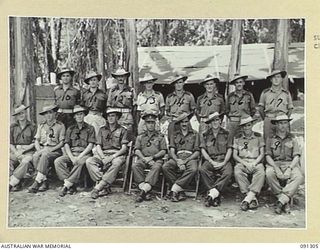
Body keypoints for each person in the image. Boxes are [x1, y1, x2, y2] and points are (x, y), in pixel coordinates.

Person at [86, 108, 129, 199]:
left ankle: (98, 187)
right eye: (109, 116)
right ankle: (105, 185)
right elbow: (98, 145)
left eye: (113, 116)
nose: (110, 118)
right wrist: (102, 157)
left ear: (117, 117)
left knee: (117, 163)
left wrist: (112, 157)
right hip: (103, 154)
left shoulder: (123, 130)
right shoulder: (102, 129)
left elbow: (124, 148)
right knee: (89, 161)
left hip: (117, 154)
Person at [265, 114, 304, 214]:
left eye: (285, 123)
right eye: (280, 123)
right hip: (275, 163)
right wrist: (275, 167)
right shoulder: (270, 138)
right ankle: (283, 200)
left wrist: (290, 168)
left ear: (288, 124)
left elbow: (296, 156)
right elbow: (268, 156)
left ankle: (281, 201)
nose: (283, 125)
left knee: (299, 176)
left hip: (289, 163)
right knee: (269, 174)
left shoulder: (292, 138)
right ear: (276, 125)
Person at [54, 105, 96, 197]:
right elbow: (66, 144)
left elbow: (90, 145)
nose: (79, 116)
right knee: (58, 161)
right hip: (72, 153)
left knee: (80, 162)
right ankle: (71, 185)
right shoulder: (70, 129)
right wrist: (72, 157)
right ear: (74, 116)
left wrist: (79, 156)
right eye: (77, 115)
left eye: (81, 114)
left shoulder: (90, 128)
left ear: (84, 115)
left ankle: (66, 186)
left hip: (85, 154)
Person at [162, 112, 200, 202]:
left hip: (190, 157)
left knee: (193, 169)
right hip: (177, 157)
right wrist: (178, 160)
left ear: (189, 122)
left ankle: (174, 189)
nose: (184, 124)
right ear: (179, 124)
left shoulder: (195, 134)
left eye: (186, 122)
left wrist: (186, 160)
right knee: (165, 167)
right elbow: (171, 150)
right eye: (182, 122)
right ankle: (180, 190)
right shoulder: (174, 134)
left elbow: (197, 152)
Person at [28, 105, 65, 193]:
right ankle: (44, 181)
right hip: (43, 148)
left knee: (44, 155)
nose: (48, 115)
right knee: (36, 156)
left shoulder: (60, 125)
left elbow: (61, 143)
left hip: (55, 150)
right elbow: (37, 140)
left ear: (54, 114)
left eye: (50, 113)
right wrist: (38, 150)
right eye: (46, 114)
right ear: (44, 116)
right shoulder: (41, 125)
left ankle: (37, 182)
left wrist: (51, 150)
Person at [199, 112, 233, 207]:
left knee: (228, 172)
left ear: (220, 121)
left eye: (217, 120)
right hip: (211, 159)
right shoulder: (205, 134)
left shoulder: (227, 133)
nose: (215, 122)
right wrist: (210, 161)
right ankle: (215, 195)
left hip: (223, 159)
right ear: (209, 122)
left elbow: (230, 149)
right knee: (203, 169)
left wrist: (224, 162)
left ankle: (211, 195)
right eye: (212, 120)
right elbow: (203, 150)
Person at [132, 111, 167, 202]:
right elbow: (136, 149)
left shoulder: (160, 136)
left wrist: (153, 157)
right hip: (143, 159)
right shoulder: (140, 137)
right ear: (145, 124)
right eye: (148, 123)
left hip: (156, 160)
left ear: (155, 124)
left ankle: (142, 192)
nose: (150, 125)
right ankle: (146, 191)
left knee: (156, 167)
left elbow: (163, 150)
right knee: (135, 166)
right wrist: (144, 158)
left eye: (152, 123)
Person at [233, 115, 265, 211]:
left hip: (255, 160)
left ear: (252, 125)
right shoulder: (237, 138)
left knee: (261, 172)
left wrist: (254, 163)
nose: (246, 128)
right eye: (244, 126)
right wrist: (245, 163)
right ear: (242, 127)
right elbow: (235, 155)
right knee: (237, 172)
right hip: (242, 161)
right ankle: (252, 197)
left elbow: (262, 153)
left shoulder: (258, 136)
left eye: (248, 125)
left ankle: (247, 200)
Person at [258, 70, 293, 140]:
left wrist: (284, 118)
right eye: (274, 77)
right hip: (269, 119)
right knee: (268, 140)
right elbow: (260, 109)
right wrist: (266, 119)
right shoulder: (265, 93)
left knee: (284, 140)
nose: (276, 79)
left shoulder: (286, 93)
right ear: (271, 79)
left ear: (282, 79)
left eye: (278, 77)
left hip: (282, 119)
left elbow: (290, 108)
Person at [9, 105, 36, 191]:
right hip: (15, 151)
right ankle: (16, 180)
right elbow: (10, 143)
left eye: (22, 113)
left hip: (28, 151)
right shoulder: (13, 127)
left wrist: (23, 150)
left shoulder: (32, 126)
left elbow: (34, 142)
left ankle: (13, 183)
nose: (21, 115)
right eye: (19, 114)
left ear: (26, 113)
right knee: (7, 160)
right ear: (16, 116)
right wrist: (16, 152)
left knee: (25, 162)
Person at [107, 67, 136, 137]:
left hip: (127, 116)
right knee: (116, 135)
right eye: (119, 76)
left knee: (128, 136)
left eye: (122, 76)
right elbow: (109, 105)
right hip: (116, 116)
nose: (120, 78)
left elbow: (135, 106)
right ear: (116, 78)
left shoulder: (131, 90)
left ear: (125, 77)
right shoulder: (112, 90)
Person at [226, 74, 256, 140]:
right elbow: (227, 110)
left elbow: (253, 109)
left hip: (245, 122)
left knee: (245, 140)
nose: (239, 84)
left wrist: (247, 118)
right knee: (232, 140)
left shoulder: (248, 95)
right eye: (237, 82)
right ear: (234, 84)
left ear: (243, 83)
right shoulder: (230, 96)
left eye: (240, 82)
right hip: (233, 123)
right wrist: (233, 118)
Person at [82, 71, 107, 136]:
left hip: (99, 116)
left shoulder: (103, 94)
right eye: (91, 80)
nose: (93, 82)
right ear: (88, 82)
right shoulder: (85, 94)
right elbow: (82, 106)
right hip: (88, 116)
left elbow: (105, 107)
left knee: (98, 134)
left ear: (97, 81)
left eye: (94, 80)